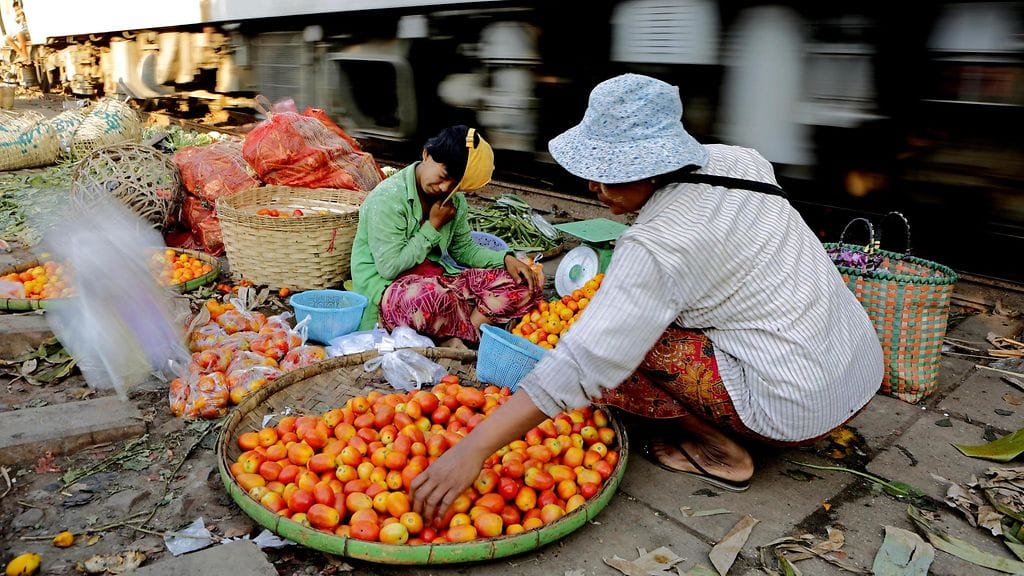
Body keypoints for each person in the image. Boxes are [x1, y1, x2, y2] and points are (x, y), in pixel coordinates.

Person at [410, 74, 883, 523]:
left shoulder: (657, 247)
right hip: (855, 365)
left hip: (794, 407)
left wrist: (471, 450)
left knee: (614, 343)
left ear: (656, 167)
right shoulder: (742, 161)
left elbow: (584, 361)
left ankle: (722, 452)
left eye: (610, 176)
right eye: (591, 173)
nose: (594, 189)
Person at [350, 125, 541, 348]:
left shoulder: (454, 200)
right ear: (427, 154)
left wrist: (506, 260)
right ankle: (471, 331)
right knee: (430, 299)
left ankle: (459, 338)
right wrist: (433, 226)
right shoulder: (387, 198)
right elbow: (390, 267)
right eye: (443, 176)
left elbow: (464, 250)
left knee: (525, 283)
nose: (443, 188)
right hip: (392, 292)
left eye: (454, 185)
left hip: (440, 282)